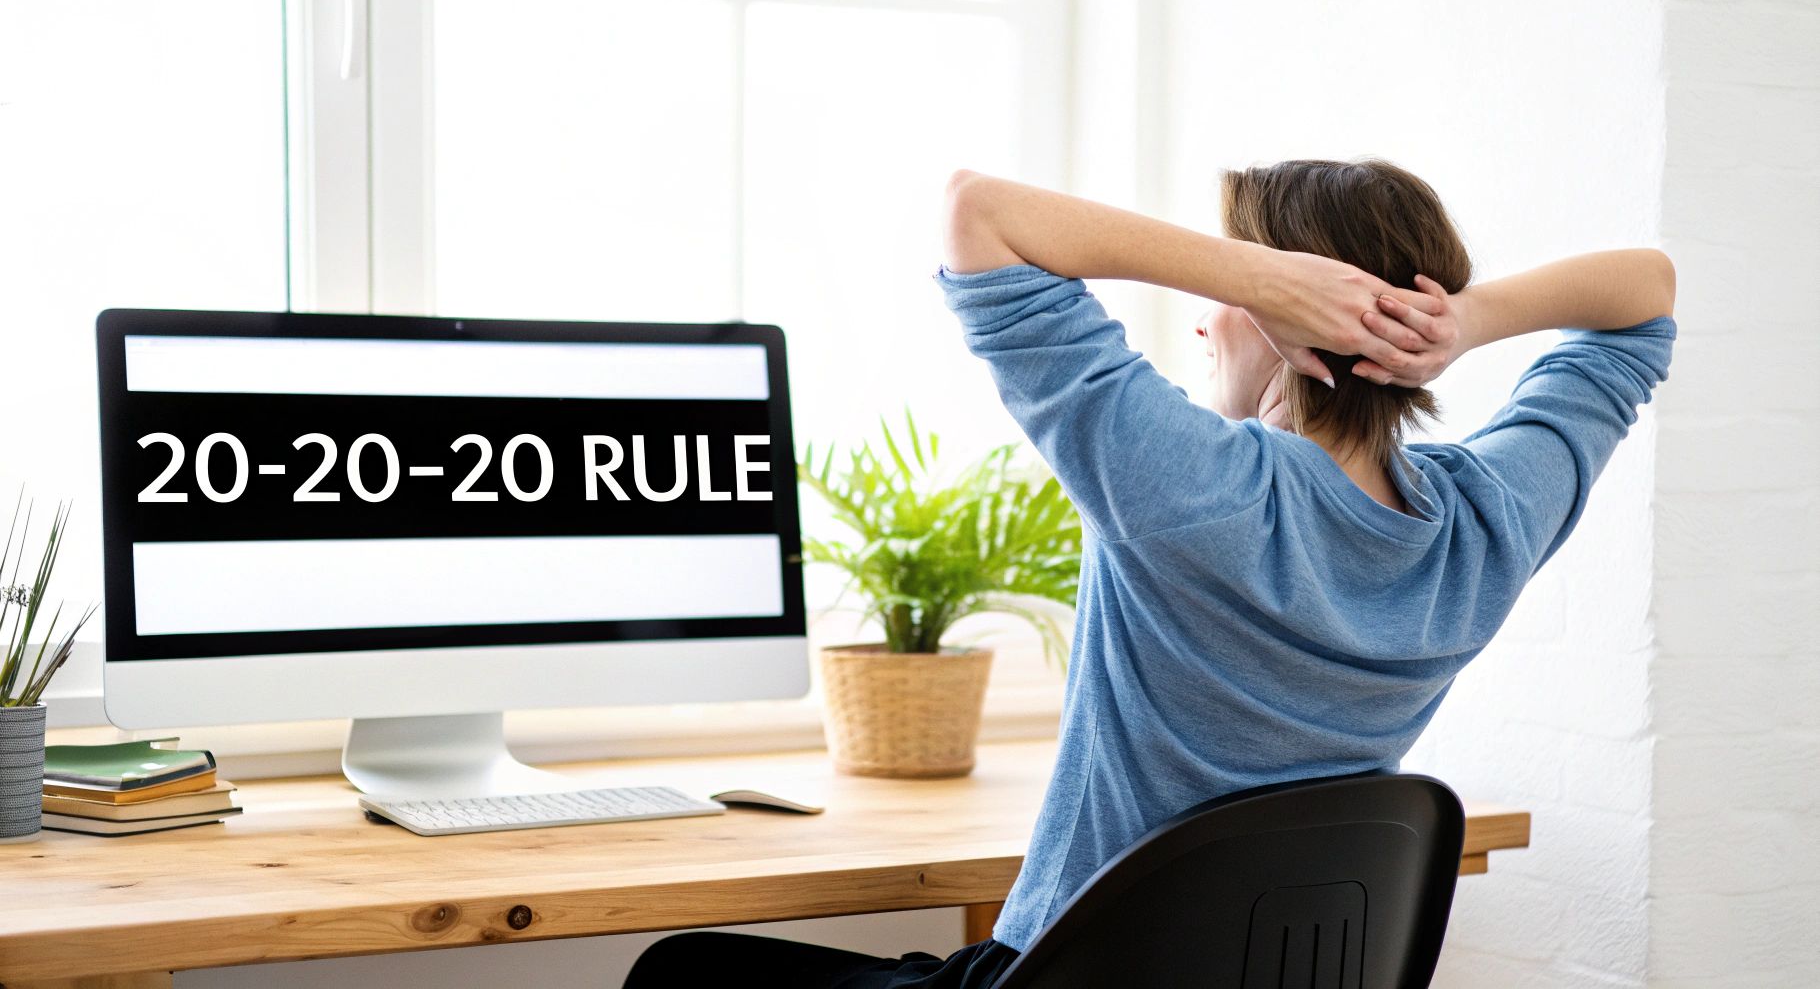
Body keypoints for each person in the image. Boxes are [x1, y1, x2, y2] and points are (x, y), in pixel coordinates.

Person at [623, 159, 1676, 988]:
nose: (1206, 308)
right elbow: (1645, 294)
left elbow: (973, 211)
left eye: (1231, 281)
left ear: (1285, 310)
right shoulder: (1483, 523)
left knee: (685, 966)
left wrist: (1263, 281)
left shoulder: (1193, 488)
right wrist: (1459, 325)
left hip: (1051, 976)